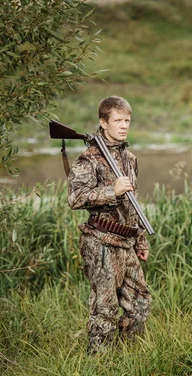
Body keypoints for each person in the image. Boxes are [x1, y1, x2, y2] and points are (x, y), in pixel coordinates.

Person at [67, 96, 151, 354]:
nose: (124, 125)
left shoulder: (130, 158)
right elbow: (74, 198)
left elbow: (131, 204)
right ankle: (98, 364)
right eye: (117, 120)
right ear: (103, 122)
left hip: (126, 241)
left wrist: (140, 239)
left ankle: (126, 356)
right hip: (100, 240)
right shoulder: (89, 159)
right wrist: (110, 191)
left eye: (127, 120)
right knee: (105, 309)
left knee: (140, 303)